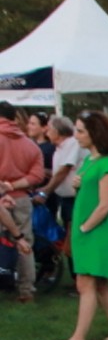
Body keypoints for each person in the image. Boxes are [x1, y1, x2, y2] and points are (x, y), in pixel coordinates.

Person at [50, 112, 108, 340]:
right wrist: (78, 186)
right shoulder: (89, 161)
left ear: (95, 134)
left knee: (85, 283)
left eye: (81, 131)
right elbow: (89, 195)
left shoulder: (107, 163)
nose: (76, 136)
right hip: (86, 229)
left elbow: (105, 205)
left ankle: (78, 339)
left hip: (95, 230)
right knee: (100, 283)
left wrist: (85, 227)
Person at [0, 101, 45, 303]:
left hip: (2, 198)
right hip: (22, 198)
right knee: (24, 242)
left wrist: (4, 188)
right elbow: (37, 175)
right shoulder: (30, 144)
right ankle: (26, 290)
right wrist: (14, 185)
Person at [44, 115, 86, 234]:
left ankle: (71, 251)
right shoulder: (60, 148)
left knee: (73, 227)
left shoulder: (72, 143)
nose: (47, 134)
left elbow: (64, 170)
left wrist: (45, 192)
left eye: (48, 130)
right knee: (67, 223)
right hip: (65, 197)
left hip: (76, 197)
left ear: (56, 132)